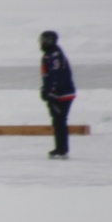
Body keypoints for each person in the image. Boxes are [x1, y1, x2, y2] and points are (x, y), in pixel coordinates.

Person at [39, 30, 76, 159]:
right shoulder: (48, 55)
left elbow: (57, 76)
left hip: (63, 94)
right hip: (56, 94)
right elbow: (47, 77)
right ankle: (60, 147)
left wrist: (51, 92)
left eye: (43, 41)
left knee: (60, 120)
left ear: (49, 41)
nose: (40, 43)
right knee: (57, 121)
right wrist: (45, 89)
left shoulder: (55, 56)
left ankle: (62, 149)